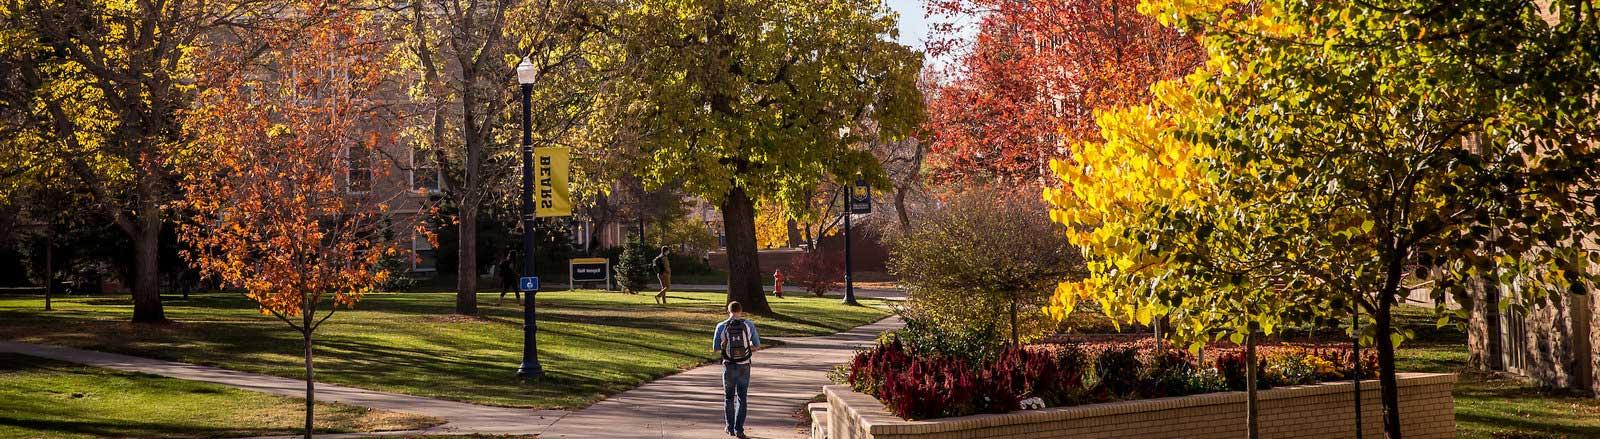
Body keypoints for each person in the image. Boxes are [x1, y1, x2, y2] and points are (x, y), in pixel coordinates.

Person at [713, 301, 760, 438]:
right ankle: (739, 429)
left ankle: (729, 427)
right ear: (741, 310)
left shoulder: (721, 326)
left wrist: (726, 348)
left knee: (728, 397)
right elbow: (756, 345)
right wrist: (744, 350)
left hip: (728, 365)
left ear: (728, 311)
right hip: (744, 365)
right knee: (742, 397)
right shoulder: (749, 325)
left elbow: (716, 349)